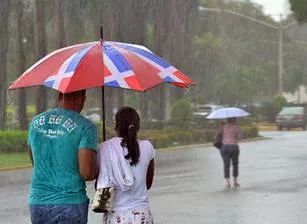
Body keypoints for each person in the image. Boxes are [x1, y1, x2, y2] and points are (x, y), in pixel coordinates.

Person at [27, 90, 97, 224]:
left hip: (38, 202)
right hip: (70, 203)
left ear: (60, 96)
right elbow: (87, 173)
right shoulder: (86, 127)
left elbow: (35, 162)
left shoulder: (35, 122)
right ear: (82, 99)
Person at [96, 106, 155, 224]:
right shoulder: (148, 147)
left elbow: (100, 184)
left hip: (115, 216)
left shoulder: (105, 148)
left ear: (116, 126)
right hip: (141, 216)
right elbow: (147, 184)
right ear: (137, 126)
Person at [219, 117, 241, 188]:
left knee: (226, 164)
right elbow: (240, 136)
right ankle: (235, 182)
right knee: (235, 164)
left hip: (225, 147)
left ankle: (228, 183)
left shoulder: (223, 127)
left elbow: (218, 136)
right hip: (234, 147)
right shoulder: (236, 127)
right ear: (234, 120)